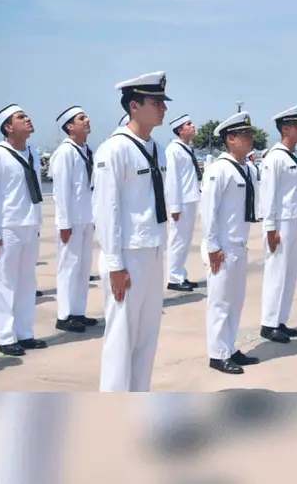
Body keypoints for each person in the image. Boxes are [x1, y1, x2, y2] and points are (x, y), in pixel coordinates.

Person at [93, 71, 171, 392]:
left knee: (146, 340)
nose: (163, 109)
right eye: (157, 103)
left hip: (152, 252)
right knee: (121, 341)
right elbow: (106, 210)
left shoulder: (156, 147)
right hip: (127, 256)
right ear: (135, 106)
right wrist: (115, 265)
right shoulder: (114, 150)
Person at [201, 112, 260, 374]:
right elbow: (209, 211)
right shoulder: (219, 169)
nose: (251, 139)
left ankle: (230, 347)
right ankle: (217, 353)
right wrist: (213, 247)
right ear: (231, 139)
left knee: (235, 301)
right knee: (220, 302)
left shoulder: (245, 168)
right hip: (222, 247)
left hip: (239, 244)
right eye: (245, 135)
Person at [0, 104, 46, 357]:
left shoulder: (32, 153)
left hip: (29, 224)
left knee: (26, 282)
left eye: (27, 114)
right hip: (8, 227)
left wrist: (37, 223)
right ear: (8, 127)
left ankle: (24, 333)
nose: (28, 119)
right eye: (21, 117)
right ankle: (5, 337)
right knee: (4, 284)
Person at [259, 105, 297, 344]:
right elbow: (268, 195)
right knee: (276, 273)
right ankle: (268, 323)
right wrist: (270, 228)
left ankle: (280, 320)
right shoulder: (275, 157)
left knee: (290, 273)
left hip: (294, 218)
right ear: (286, 129)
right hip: (280, 222)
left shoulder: (295, 156)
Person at [50, 105, 98, 334]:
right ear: (70, 126)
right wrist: (64, 223)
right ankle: (64, 314)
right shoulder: (65, 152)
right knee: (68, 267)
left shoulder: (86, 150)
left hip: (86, 217)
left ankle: (78, 311)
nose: (87, 120)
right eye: (81, 118)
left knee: (83, 267)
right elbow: (61, 191)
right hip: (72, 220)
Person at [165, 114, 202, 292]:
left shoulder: (186, 148)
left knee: (185, 241)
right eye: (189, 124)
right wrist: (175, 206)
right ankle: (174, 277)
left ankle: (181, 273)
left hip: (190, 198)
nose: (193, 126)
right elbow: (172, 179)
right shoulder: (174, 150)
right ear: (180, 130)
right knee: (177, 240)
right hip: (181, 201)